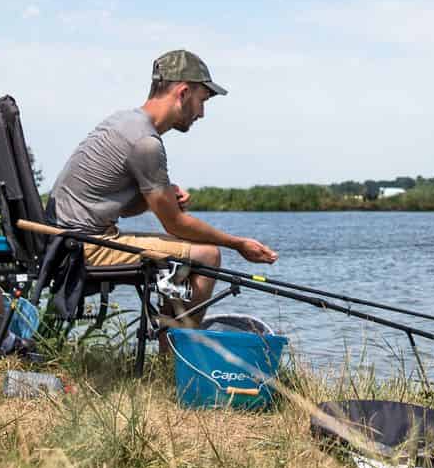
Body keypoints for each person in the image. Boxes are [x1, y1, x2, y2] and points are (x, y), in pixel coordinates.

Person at [49, 49, 276, 330]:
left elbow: (124, 207)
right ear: (182, 92)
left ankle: (171, 342)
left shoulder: (124, 122)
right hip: (82, 246)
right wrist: (238, 244)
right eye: (202, 100)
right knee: (208, 254)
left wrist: (158, 198)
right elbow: (176, 224)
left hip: (67, 238)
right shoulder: (146, 141)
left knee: (191, 251)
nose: (202, 113)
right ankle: (176, 359)